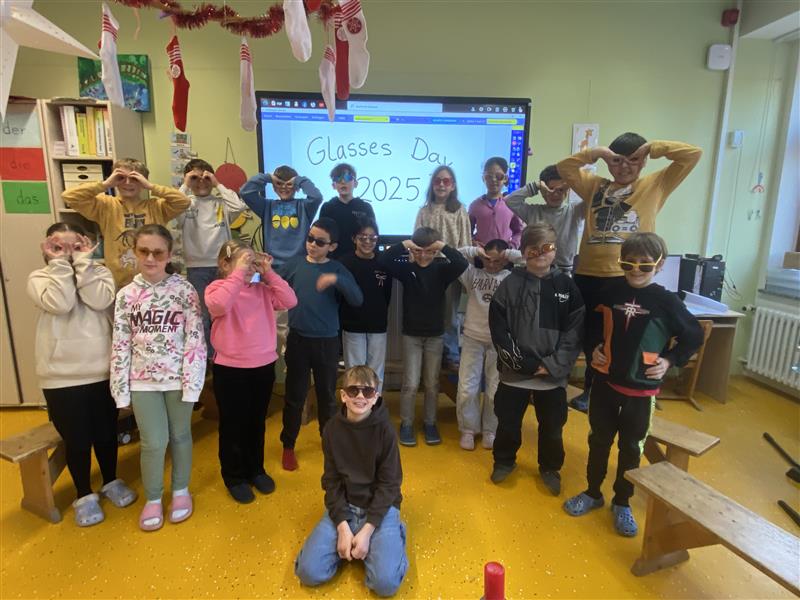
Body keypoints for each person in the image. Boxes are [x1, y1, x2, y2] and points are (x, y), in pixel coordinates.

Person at [563, 233, 703, 537]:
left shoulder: (667, 301)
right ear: (621, 263)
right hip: (604, 385)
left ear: (660, 265)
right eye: (628, 263)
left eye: (645, 264)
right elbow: (590, 323)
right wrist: (594, 348)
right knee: (598, 441)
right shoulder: (610, 291)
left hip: (641, 391)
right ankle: (592, 492)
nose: (636, 270)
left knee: (630, 448)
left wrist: (669, 360)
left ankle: (622, 501)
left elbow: (693, 335)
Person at [557, 134, 702, 412]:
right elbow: (565, 167)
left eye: (633, 160)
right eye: (617, 161)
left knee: (620, 338)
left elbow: (692, 154)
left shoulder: (655, 183)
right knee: (590, 336)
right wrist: (596, 153)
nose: (624, 167)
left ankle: (619, 388)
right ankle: (591, 387)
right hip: (587, 274)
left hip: (624, 276)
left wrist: (653, 148)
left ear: (644, 161)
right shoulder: (594, 185)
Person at [27, 222, 136, 527]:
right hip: (61, 376)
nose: (68, 252)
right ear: (47, 248)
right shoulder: (39, 278)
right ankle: (84, 494)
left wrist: (84, 264)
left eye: (75, 246)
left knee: (106, 433)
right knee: (76, 440)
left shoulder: (99, 273)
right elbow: (60, 304)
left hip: (101, 370)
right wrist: (61, 266)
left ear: (87, 246)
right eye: (58, 246)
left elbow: (99, 301)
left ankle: (111, 480)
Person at [110, 224, 206, 531]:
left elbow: (195, 339)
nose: (150, 258)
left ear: (169, 254)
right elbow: (120, 343)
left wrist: (193, 383)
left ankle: (180, 491)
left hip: (178, 380)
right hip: (142, 382)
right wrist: (120, 390)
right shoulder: (126, 295)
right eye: (144, 251)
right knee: (153, 442)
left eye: (158, 252)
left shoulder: (184, 291)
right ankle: (153, 498)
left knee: (180, 436)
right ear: (135, 252)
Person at [295, 365, 407, 597]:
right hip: (346, 506)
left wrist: (367, 530)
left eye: (368, 391)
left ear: (376, 397)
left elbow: (389, 484)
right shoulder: (331, 430)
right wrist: (343, 527)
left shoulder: (385, 431)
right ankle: (356, 544)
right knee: (308, 572)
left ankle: (391, 534)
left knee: (385, 585)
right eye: (353, 390)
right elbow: (331, 481)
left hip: (380, 509)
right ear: (343, 395)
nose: (360, 396)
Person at [488, 223, 584, 493]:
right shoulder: (509, 284)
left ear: (555, 250)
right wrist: (525, 365)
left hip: (552, 378)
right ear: (523, 251)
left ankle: (550, 467)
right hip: (514, 375)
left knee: (552, 428)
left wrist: (551, 365)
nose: (540, 254)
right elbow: (499, 331)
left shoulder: (567, 287)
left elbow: (574, 333)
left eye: (546, 248)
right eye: (533, 249)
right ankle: (504, 461)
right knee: (508, 424)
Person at [205, 240, 297, 504]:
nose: (249, 268)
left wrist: (268, 272)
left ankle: (255, 469)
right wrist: (238, 273)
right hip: (230, 369)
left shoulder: (263, 291)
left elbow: (290, 300)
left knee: (256, 422)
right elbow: (219, 306)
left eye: (252, 262)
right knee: (233, 424)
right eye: (244, 261)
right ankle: (234, 476)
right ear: (225, 264)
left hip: (263, 366)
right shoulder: (217, 288)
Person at [279, 217, 363, 471]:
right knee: (294, 396)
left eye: (320, 242)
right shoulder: (294, 265)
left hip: (327, 342)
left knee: (327, 397)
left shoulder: (337, 269)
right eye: (310, 239)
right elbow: (271, 284)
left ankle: (330, 443)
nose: (312, 245)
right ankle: (288, 446)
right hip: (298, 339)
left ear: (332, 246)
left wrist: (336, 280)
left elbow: (357, 299)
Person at [378, 227, 468, 446]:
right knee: (410, 383)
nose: (423, 256)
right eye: (418, 251)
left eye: (429, 251)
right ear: (412, 250)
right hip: (412, 336)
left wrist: (441, 246)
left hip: (435, 336)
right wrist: (405, 244)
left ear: (435, 251)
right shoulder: (406, 269)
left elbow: (462, 263)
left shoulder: (442, 270)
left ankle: (430, 423)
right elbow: (383, 260)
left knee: (431, 383)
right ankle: (407, 423)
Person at [62, 158, 191, 288]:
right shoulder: (105, 205)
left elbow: (183, 201)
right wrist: (105, 184)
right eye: (121, 178)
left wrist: (151, 186)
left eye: (134, 179)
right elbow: (69, 196)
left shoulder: (157, 207)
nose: (128, 183)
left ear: (143, 181)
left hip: (153, 281)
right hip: (119, 283)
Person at [240, 165, 323, 352]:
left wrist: (299, 180)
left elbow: (316, 196)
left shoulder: (304, 207)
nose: (284, 188)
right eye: (280, 184)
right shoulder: (267, 206)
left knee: (296, 314)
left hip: (297, 267)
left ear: (296, 187)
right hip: (273, 268)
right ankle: (275, 357)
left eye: (289, 184)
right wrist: (268, 178)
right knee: (275, 317)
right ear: (274, 186)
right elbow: (246, 192)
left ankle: (293, 356)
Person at [455, 240, 523, 450]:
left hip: (499, 341)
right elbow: (453, 256)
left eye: (497, 261)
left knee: (495, 390)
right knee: (467, 388)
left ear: (504, 260)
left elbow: (529, 261)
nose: (492, 265)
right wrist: (475, 251)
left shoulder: (510, 277)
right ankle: (468, 429)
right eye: (488, 259)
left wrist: (508, 254)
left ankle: (490, 430)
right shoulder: (472, 275)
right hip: (472, 338)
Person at [176, 158, 248, 357]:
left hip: (223, 266)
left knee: (226, 311)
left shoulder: (221, 203)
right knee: (202, 316)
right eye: (195, 178)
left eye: (205, 178)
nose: (201, 182)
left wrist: (217, 184)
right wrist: (185, 185)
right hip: (196, 268)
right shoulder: (186, 204)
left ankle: (226, 353)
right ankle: (208, 358)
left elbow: (239, 207)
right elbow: (172, 207)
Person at [414, 166, 472, 368]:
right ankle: (432, 355)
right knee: (431, 312)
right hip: (428, 267)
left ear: (452, 186)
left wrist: (465, 272)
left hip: (450, 268)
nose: (441, 184)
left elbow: (465, 241)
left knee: (450, 315)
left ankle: (451, 354)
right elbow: (416, 240)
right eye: (437, 180)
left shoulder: (459, 211)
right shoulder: (424, 211)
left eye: (446, 181)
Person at [339, 219, 393, 395]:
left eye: (372, 238)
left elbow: (387, 294)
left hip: (378, 325)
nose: (367, 242)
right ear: (354, 238)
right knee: (354, 371)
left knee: (376, 371)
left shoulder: (383, 262)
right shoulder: (345, 263)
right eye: (362, 237)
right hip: (352, 325)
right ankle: (354, 406)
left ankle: (374, 405)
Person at [505, 165, 584, 274]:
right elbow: (510, 200)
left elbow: (594, 198)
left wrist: (573, 183)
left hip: (564, 271)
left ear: (567, 191)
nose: (555, 194)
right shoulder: (533, 212)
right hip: (536, 268)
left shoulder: (574, 210)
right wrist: (536, 186)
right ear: (543, 191)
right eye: (550, 189)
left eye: (561, 190)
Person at [319, 163, 375, 259]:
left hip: (360, 259)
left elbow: (373, 236)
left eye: (348, 178)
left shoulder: (365, 207)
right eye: (338, 179)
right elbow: (321, 236)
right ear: (333, 185)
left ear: (355, 183)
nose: (343, 182)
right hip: (334, 259)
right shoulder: (328, 207)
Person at [468, 156, 524, 249]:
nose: (493, 180)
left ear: (505, 178)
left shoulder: (511, 205)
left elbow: (519, 231)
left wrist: (512, 246)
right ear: (483, 179)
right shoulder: (475, 206)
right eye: (488, 176)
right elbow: (467, 232)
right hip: (481, 254)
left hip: (505, 254)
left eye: (498, 176)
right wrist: (474, 243)